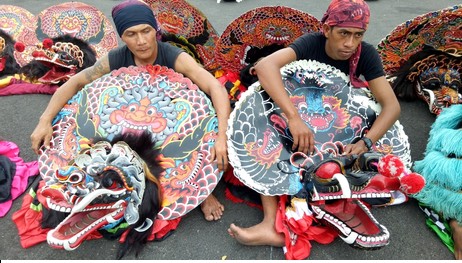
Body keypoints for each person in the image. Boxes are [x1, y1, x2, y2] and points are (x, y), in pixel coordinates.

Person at [30, 0, 231, 221]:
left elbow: (215, 88)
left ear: (155, 29)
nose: (142, 41)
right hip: (130, 122)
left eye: (146, 31)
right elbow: (74, 83)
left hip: (174, 122)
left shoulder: (174, 56)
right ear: (122, 37)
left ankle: (202, 192)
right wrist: (44, 120)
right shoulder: (117, 57)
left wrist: (221, 136)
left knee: (201, 133)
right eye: (131, 34)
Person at [228, 0, 400, 246]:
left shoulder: (366, 54)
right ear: (327, 29)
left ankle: (324, 205)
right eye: (343, 34)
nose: (350, 44)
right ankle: (269, 223)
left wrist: (366, 141)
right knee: (264, 127)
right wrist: (293, 118)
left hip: (334, 122)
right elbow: (265, 66)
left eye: (358, 35)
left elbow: (391, 106)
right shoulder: (311, 43)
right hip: (297, 109)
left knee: (349, 164)